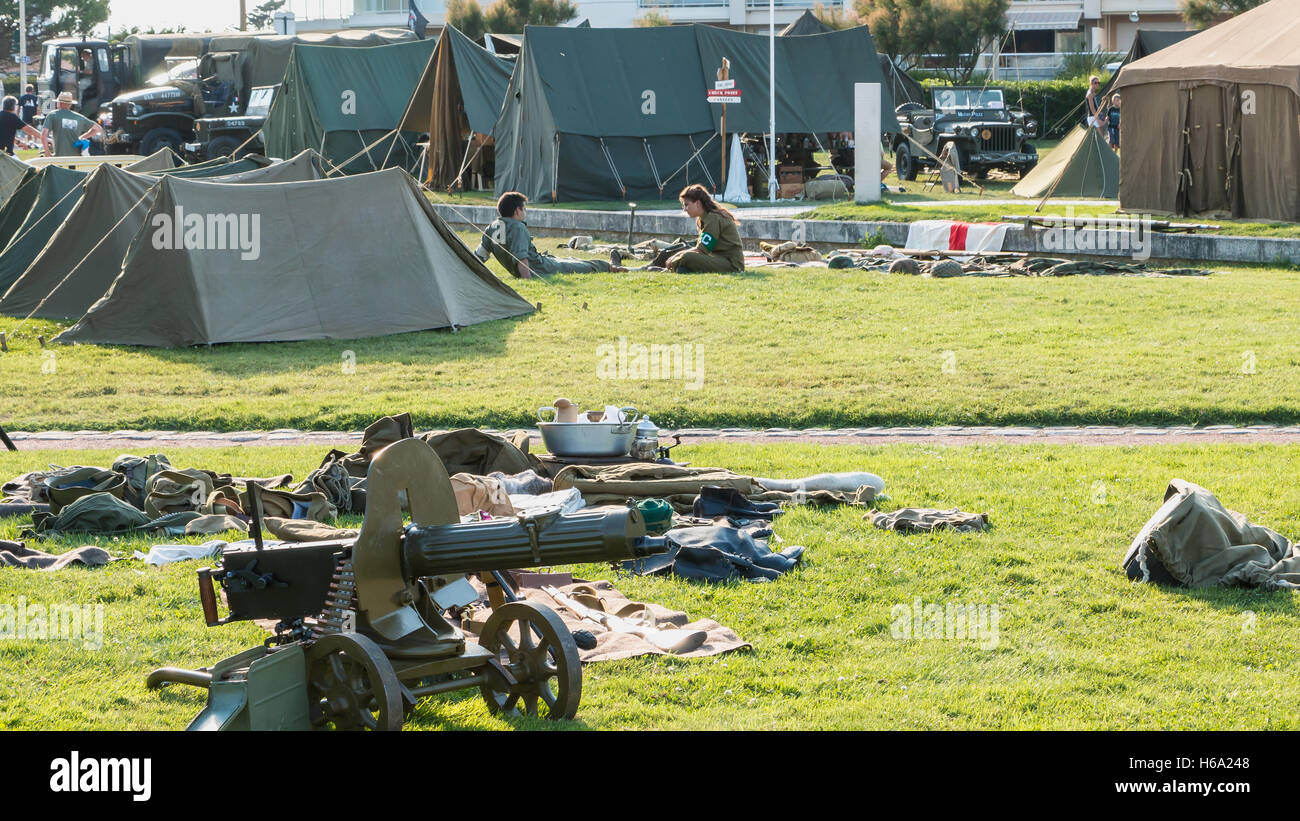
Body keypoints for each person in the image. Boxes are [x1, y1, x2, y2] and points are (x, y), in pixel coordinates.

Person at [476, 192, 621, 278]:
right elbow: (522, 260)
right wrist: (529, 281)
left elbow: (479, 256)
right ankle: (615, 267)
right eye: (524, 208)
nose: (525, 212)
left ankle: (615, 266)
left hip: (540, 262)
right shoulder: (517, 227)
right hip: (541, 268)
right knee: (589, 265)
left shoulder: (492, 227)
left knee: (571, 258)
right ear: (516, 210)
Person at [665, 184, 745, 273]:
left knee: (686, 256)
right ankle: (677, 268)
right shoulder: (702, 219)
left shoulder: (713, 218)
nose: (684, 209)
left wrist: (675, 257)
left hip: (731, 264)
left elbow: (702, 249)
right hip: (717, 258)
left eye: (686, 205)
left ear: (698, 203)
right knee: (679, 248)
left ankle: (669, 268)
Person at [41, 91, 102, 157]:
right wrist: (82, 137)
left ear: (59, 103)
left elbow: (44, 134)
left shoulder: (52, 115)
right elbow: (98, 129)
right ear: (70, 104)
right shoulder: (79, 117)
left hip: (58, 157)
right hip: (76, 157)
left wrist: (47, 153)